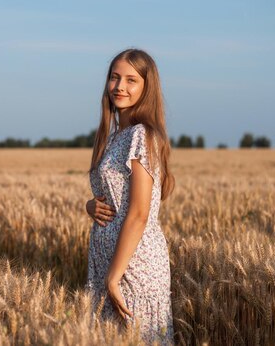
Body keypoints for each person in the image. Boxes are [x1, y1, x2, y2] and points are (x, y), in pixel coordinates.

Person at [85, 48, 175, 345]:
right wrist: (91, 205)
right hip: (108, 263)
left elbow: (139, 212)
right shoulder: (113, 137)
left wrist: (114, 277)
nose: (120, 86)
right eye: (114, 77)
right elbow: (111, 195)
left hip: (132, 265)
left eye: (131, 80)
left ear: (147, 87)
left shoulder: (142, 134)